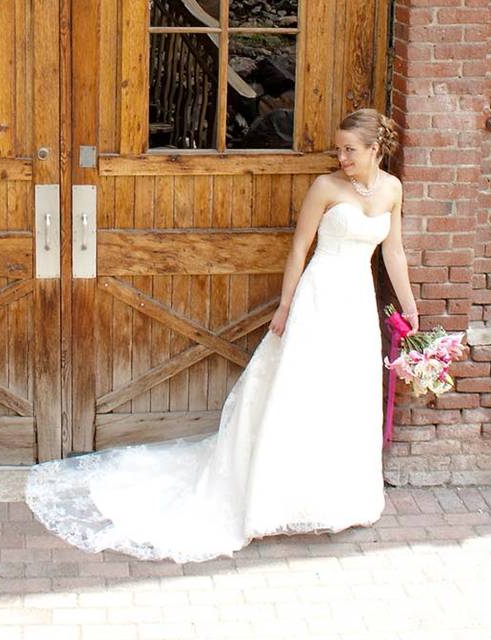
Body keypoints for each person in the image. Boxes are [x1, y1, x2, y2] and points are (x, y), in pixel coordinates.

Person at [25, 109, 416, 562]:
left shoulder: (392, 190)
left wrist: (409, 305)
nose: (342, 156)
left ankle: (333, 496)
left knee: (343, 396)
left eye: (350, 149)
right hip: (319, 297)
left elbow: (394, 249)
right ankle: (275, 498)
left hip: (356, 306)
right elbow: (298, 249)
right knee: (299, 392)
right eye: (339, 148)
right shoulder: (325, 188)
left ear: (374, 149)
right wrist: (286, 307)